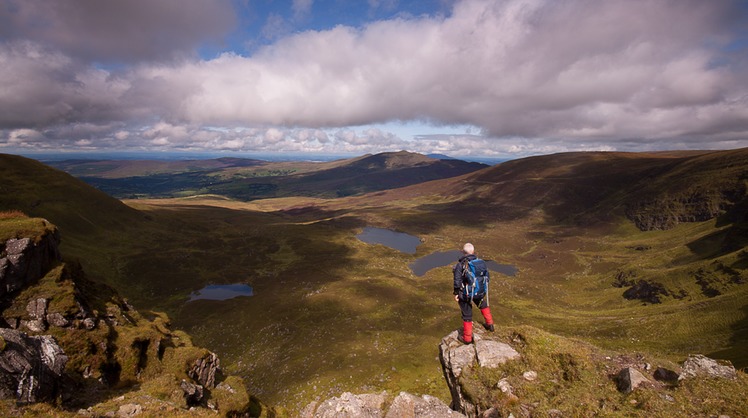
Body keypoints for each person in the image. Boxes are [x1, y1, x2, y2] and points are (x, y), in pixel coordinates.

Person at [453, 242, 494, 344]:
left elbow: (457, 281)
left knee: (467, 313)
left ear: (463, 252)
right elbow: (487, 276)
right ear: (473, 252)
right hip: (479, 290)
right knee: (482, 304)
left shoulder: (461, 264)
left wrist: (457, 293)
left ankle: (467, 338)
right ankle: (490, 324)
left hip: (467, 293)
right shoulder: (480, 263)